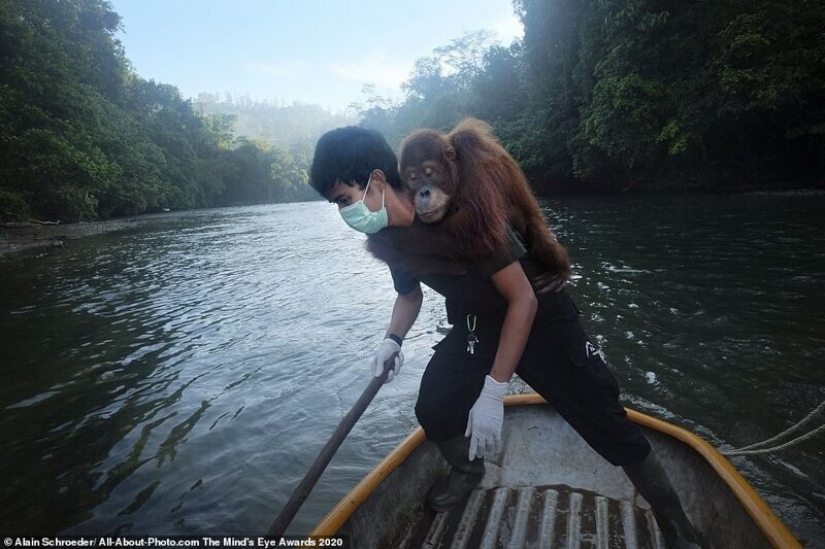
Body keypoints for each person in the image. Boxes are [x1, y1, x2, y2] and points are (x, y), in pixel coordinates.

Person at [309, 125, 702, 549]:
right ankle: (468, 469)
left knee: (607, 421)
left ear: (376, 181)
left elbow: (523, 300)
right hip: (478, 322)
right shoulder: (386, 236)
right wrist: (392, 340)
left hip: (541, 318)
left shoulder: (462, 211)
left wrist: (494, 392)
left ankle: (674, 522)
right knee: (435, 408)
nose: (344, 213)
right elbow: (408, 294)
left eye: (344, 200)